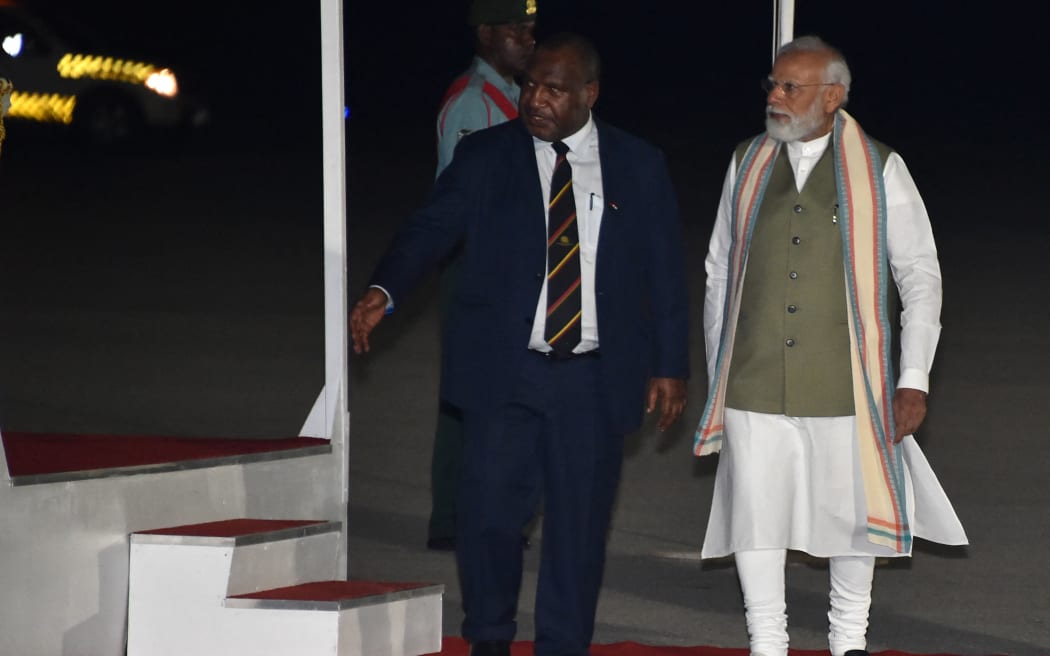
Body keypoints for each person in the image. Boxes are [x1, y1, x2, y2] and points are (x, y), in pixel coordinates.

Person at [351, 33, 689, 656]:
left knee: (578, 532)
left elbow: (664, 271)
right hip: (506, 374)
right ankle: (488, 638)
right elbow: (429, 230)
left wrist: (671, 364)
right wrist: (384, 289)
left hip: (592, 378)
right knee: (487, 522)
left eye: (554, 89)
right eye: (530, 84)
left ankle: (563, 645)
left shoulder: (637, 165)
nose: (535, 99)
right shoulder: (486, 157)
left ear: (589, 93)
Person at [693, 36, 967, 656]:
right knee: (754, 519)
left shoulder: (880, 167)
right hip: (753, 380)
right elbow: (719, 270)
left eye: (792, 86)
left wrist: (913, 378)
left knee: (850, 522)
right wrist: (719, 368)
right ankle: (767, 644)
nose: (776, 96)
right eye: (773, 84)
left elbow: (920, 275)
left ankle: (848, 643)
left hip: (849, 384)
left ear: (834, 95)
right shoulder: (746, 161)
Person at [427, 0, 537, 552]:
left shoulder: (515, 95)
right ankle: (456, 517)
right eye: (516, 27)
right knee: (474, 395)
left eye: (531, 26)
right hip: (478, 264)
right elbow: (465, 202)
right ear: (485, 32)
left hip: (500, 263)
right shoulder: (475, 102)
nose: (528, 35)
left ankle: (474, 514)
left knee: (492, 395)